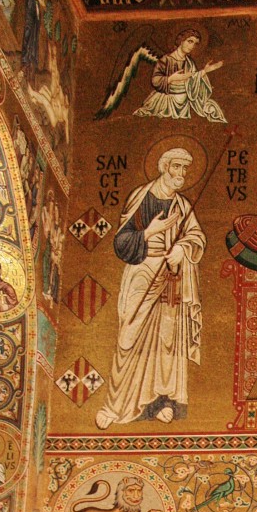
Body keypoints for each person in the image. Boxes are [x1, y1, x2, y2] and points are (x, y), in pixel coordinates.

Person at [95, 148, 206, 429]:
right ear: (163, 167)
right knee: (129, 334)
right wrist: (150, 232)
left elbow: (196, 236)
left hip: (172, 276)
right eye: (176, 167)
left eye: (185, 169)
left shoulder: (182, 205)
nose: (181, 174)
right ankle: (116, 405)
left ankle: (161, 401)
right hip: (142, 271)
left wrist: (182, 248)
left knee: (168, 341)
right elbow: (122, 242)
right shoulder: (141, 196)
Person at [134, 29, 225, 123]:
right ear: (181, 40)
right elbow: (155, 80)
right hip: (166, 102)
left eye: (195, 44)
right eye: (190, 41)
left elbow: (192, 79)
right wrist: (171, 79)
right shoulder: (166, 60)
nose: (192, 46)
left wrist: (205, 71)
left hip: (184, 102)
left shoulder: (189, 62)